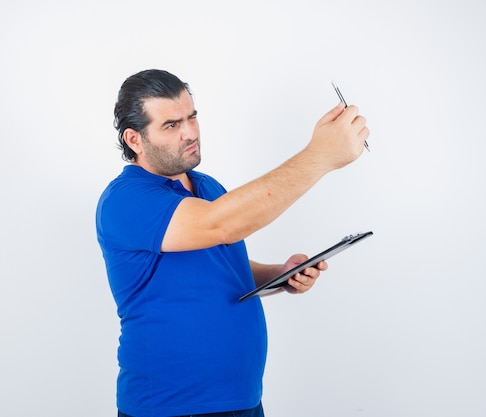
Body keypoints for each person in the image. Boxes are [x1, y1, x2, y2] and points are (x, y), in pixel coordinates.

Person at [96, 69, 369, 417]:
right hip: (171, 407)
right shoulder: (126, 200)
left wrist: (279, 274)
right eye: (171, 125)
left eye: (191, 117)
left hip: (241, 400)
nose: (190, 133)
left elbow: (217, 262)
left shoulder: (207, 187)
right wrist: (320, 156)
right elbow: (221, 225)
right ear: (134, 139)